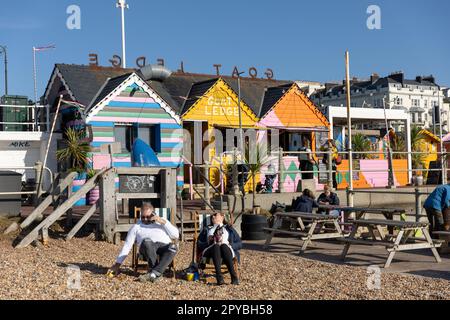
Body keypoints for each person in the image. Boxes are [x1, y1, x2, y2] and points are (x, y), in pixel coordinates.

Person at [108, 203, 179, 282]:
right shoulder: (136, 227)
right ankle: (156, 271)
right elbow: (127, 246)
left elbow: (175, 235)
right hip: (147, 249)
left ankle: (153, 274)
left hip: (163, 249)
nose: (145, 219)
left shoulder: (161, 222)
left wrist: (163, 222)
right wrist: (117, 265)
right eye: (143, 217)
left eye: (148, 217)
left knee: (173, 247)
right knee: (147, 241)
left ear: (153, 214)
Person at [197, 212, 242, 285]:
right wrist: (208, 242)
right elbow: (199, 243)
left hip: (226, 249)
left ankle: (234, 277)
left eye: (216, 214)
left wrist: (230, 245)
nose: (213, 216)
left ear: (222, 217)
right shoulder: (207, 228)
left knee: (224, 246)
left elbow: (240, 243)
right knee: (216, 246)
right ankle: (219, 277)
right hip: (210, 249)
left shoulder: (229, 228)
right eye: (212, 215)